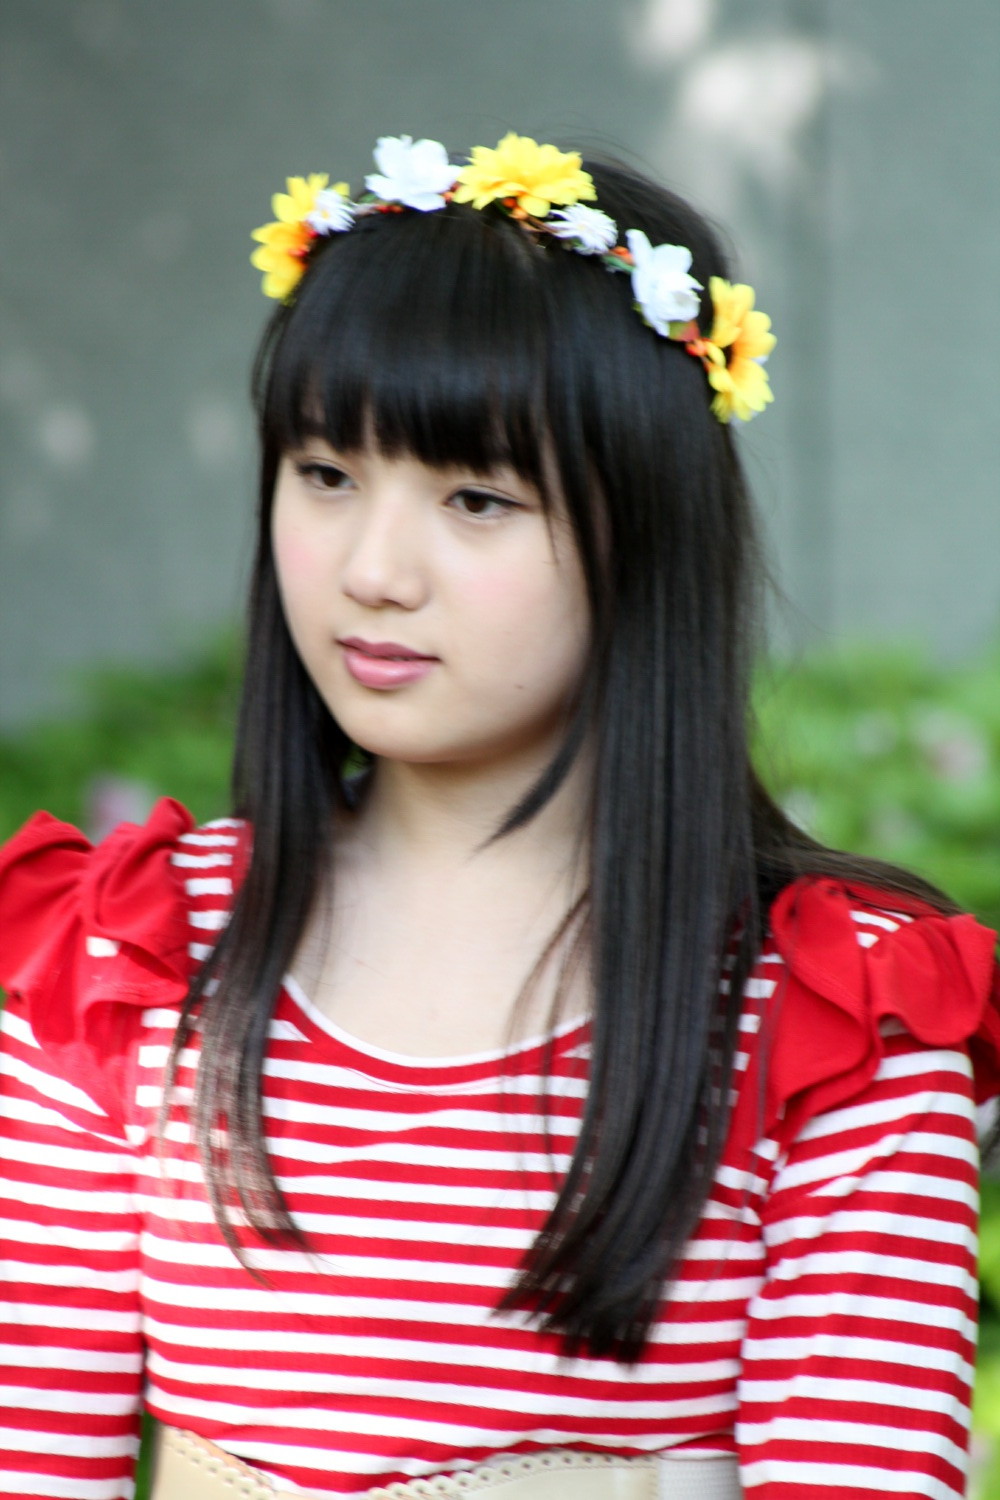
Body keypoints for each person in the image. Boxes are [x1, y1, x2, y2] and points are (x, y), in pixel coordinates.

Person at [0, 132, 997, 1500]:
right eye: (325, 473)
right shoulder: (129, 955)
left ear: (646, 536)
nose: (372, 571)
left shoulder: (835, 1017)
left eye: (476, 499)